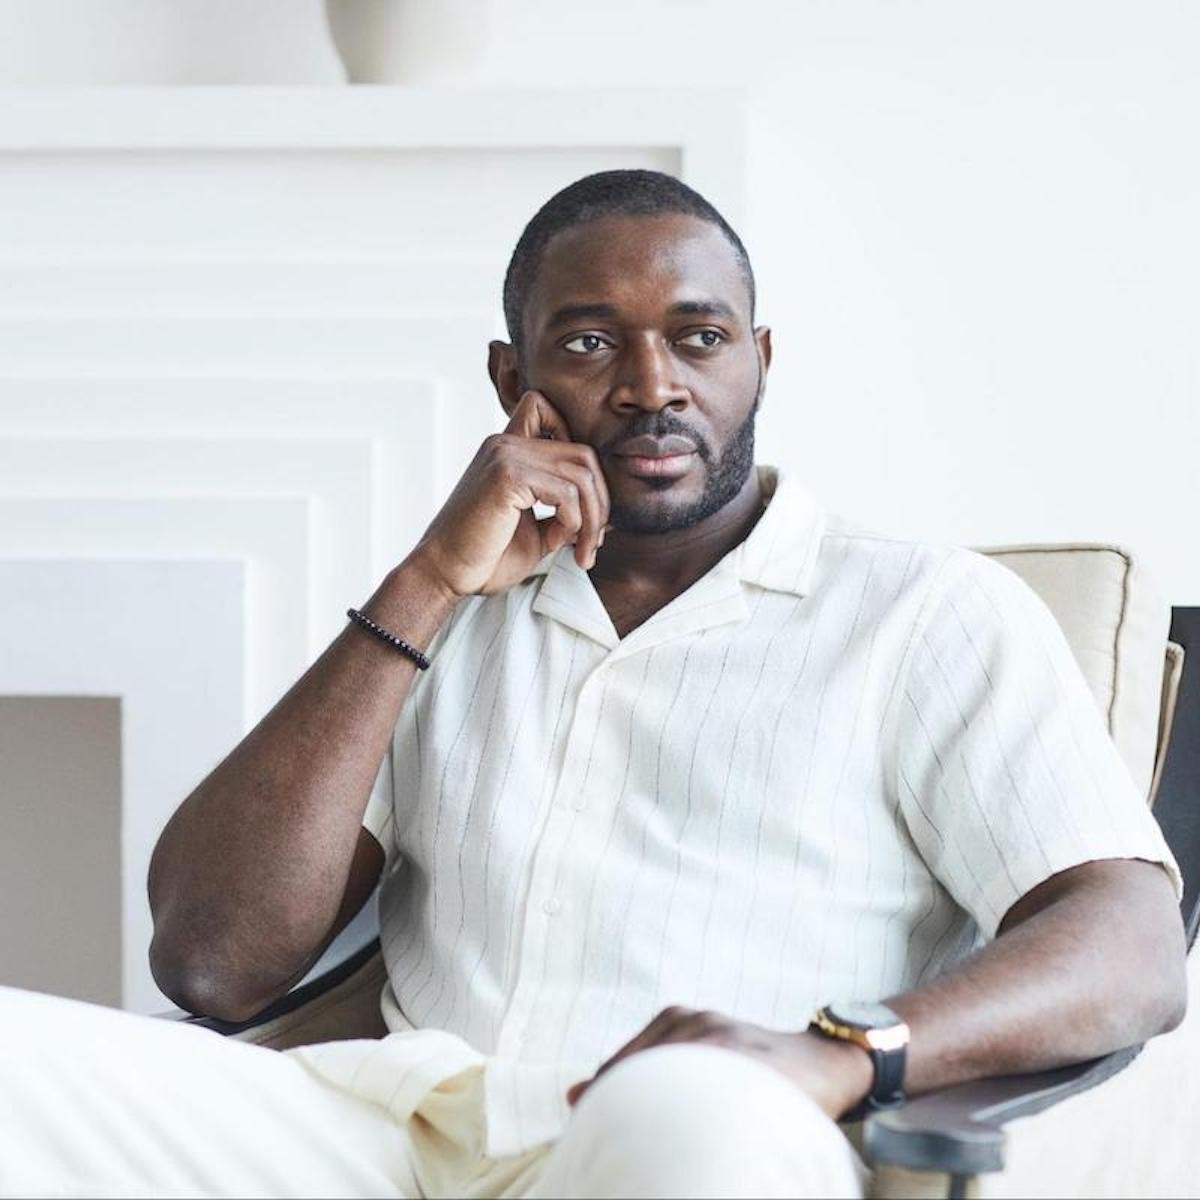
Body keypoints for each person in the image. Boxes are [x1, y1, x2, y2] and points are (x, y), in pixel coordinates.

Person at [0, 169, 1186, 1199]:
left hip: (690, 1124)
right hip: (399, 1125)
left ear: (760, 360)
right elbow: (213, 959)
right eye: (588, 342)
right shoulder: (449, 619)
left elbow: (1128, 943)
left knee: (689, 1111)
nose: (650, 384)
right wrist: (424, 581)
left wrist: (843, 1052)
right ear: (511, 378)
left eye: (700, 336)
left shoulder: (923, 613)